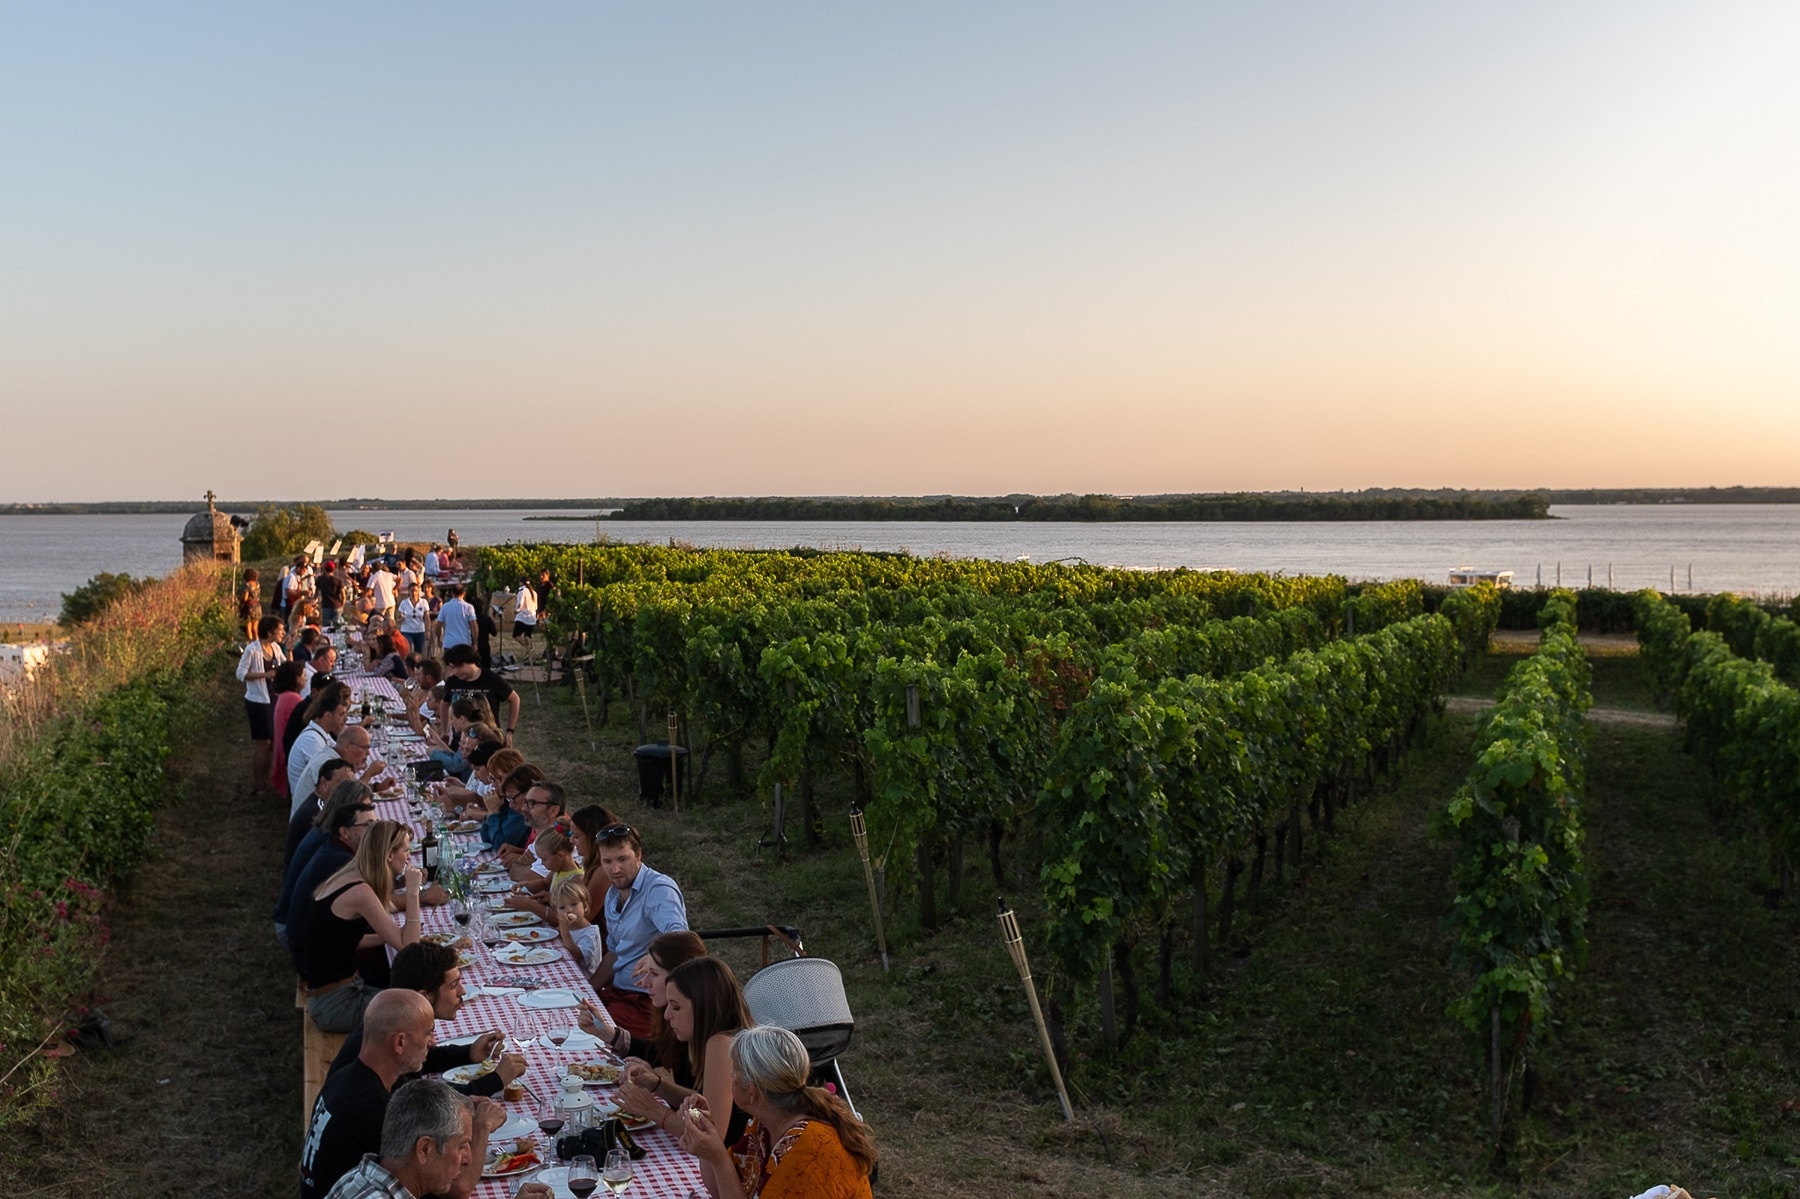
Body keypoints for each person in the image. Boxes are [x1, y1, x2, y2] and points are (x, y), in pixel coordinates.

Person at [674, 1025, 877, 1199]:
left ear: (751, 1092)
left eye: (733, 1073)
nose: (730, 1078)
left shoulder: (810, 1149)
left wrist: (717, 1156)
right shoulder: (763, 1125)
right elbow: (723, 1191)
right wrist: (708, 1143)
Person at [328, 942, 525, 1099]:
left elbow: (423, 1058)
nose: (462, 992)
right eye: (453, 985)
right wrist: (495, 1080)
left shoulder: (389, 1022)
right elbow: (428, 1112)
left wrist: (468, 1053)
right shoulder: (389, 1050)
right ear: (424, 996)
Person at [301, 989, 437, 1199]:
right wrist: (481, 1126)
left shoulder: (344, 1076)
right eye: (428, 1033)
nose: (432, 1042)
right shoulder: (375, 1110)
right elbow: (438, 1184)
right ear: (400, 1042)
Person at [293, 820, 423, 1032]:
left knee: (412, 997)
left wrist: (386, 936)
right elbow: (409, 947)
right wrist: (413, 891)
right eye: (406, 851)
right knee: (417, 1011)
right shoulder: (360, 892)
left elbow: (343, 939)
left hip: (337, 992)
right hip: (335, 1005)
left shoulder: (348, 877)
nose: (409, 857)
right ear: (389, 854)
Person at [615, 956, 750, 1146]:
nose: (667, 1015)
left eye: (676, 1007)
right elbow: (704, 1102)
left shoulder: (722, 1044)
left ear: (704, 1006)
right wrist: (656, 1084)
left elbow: (710, 1136)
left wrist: (652, 1109)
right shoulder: (710, 1039)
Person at [589, 823, 689, 1037]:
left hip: (645, 1001)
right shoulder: (613, 894)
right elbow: (615, 953)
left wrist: (653, 957)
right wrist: (588, 991)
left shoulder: (658, 890)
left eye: (622, 859)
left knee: (593, 1035)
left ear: (639, 855)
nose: (615, 869)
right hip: (619, 994)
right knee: (575, 1020)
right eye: (607, 861)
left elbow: (681, 939)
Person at [577, 930, 706, 1066]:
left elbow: (695, 1083)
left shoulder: (708, 1033)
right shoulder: (671, 1015)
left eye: (654, 974)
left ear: (680, 974)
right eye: (646, 972)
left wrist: (658, 1085)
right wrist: (606, 1032)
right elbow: (660, 1054)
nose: (644, 982)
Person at [277, 781, 375, 947]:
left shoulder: (328, 834)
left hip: (294, 923)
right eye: (362, 810)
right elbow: (371, 900)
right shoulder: (336, 854)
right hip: (299, 938)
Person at [235, 615, 287, 795]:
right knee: (263, 742)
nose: (282, 633)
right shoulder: (252, 650)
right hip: (258, 701)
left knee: (272, 742)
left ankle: (266, 779)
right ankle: (258, 784)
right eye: (280, 630)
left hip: (273, 699)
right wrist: (265, 675)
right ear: (270, 631)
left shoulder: (275, 648)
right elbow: (240, 674)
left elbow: (285, 664)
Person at [441, 645, 519, 746]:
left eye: (459, 666)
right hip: (460, 740)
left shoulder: (491, 679)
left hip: (486, 738)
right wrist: (445, 729)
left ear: (471, 661)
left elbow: (514, 699)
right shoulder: (452, 682)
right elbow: (444, 704)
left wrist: (510, 731)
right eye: (452, 668)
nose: (456, 671)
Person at [284, 757, 355, 868]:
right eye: (342, 784)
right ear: (323, 783)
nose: (348, 790)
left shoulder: (319, 803)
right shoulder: (316, 812)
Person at [289, 682, 353, 799]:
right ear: (328, 716)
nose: (346, 718)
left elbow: (343, 755)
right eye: (342, 714)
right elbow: (332, 781)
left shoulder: (322, 734)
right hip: (309, 807)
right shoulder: (312, 741)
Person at [268, 660, 309, 799]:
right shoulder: (293, 699)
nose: (306, 678)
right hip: (289, 752)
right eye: (304, 675)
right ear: (296, 679)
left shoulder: (285, 696)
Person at [549, 875, 602, 978]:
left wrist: (564, 932)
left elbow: (576, 956)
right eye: (562, 907)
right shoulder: (566, 929)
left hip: (584, 979)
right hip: (565, 973)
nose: (569, 910)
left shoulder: (590, 932)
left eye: (574, 904)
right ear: (557, 914)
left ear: (585, 907)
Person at [435, 585, 476, 654]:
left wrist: (439, 639)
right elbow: (474, 626)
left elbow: (438, 625)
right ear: (464, 593)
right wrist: (475, 642)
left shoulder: (445, 607)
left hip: (449, 643)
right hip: (464, 642)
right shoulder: (469, 607)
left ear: (452, 593)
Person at [397, 584, 431, 656]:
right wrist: (401, 619)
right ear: (409, 592)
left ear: (419, 591)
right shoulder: (404, 603)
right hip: (407, 630)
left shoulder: (424, 602)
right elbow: (398, 618)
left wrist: (427, 630)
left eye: (415, 591)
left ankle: (417, 665)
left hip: (420, 630)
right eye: (412, 591)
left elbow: (427, 617)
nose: (414, 593)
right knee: (407, 650)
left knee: (419, 652)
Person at [316, 561, 346, 627]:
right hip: (337, 606)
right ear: (334, 569)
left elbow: (316, 593)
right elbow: (343, 595)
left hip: (325, 606)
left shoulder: (320, 579)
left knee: (326, 627)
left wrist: (315, 602)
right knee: (336, 627)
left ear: (324, 568)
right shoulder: (338, 580)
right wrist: (342, 605)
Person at [511, 578, 537, 649]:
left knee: (516, 635)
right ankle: (529, 652)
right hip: (532, 618)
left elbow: (520, 604)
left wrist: (516, 610)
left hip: (523, 618)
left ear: (521, 583)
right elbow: (536, 606)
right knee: (528, 636)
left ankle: (527, 647)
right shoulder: (534, 592)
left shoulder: (522, 591)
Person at [237, 568, 263, 641]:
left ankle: (251, 641)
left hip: (250, 607)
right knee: (255, 627)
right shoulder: (257, 584)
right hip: (257, 606)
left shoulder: (247, 585)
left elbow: (245, 598)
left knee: (249, 626)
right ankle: (257, 641)